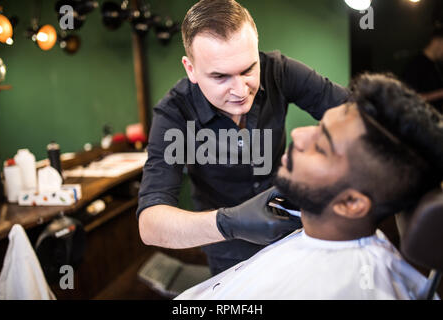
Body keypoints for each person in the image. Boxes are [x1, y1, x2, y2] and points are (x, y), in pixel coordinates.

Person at [175, 73, 443, 299]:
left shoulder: (347, 288)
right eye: (318, 125)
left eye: (321, 146)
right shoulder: (324, 234)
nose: (298, 134)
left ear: (351, 203)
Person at [137, 0, 348, 275]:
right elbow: (150, 224)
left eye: (248, 70)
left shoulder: (279, 71)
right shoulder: (174, 114)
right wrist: (230, 222)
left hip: (293, 230)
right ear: (191, 69)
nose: (239, 90)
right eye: (220, 76)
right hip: (228, 249)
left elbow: (353, 113)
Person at [403, 25, 443, 113]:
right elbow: (411, 98)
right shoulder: (415, 65)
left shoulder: (436, 65)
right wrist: (440, 93)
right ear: (437, 41)